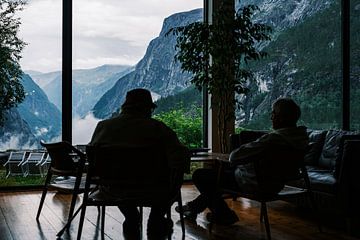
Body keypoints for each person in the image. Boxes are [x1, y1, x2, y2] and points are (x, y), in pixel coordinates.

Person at [177, 97, 309, 225]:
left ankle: (224, 215)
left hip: (253, 182)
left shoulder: (273, 140)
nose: (271, 117)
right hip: (276, 184)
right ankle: (193, 208)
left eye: (273, 113)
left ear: (282, 117)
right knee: (216, 176)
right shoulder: (302, 138)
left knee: (201, 175)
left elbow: (234, 156)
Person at [90, 88, 189, 238]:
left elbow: (93, 159)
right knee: (169, 186)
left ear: (124, 107)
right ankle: (157, 218)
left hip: (114, 190)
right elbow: (179, 160)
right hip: (153, 190)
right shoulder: (159, 129)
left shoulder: (103, 127)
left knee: (124, 193)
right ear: (147, 108)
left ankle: (131, 217)